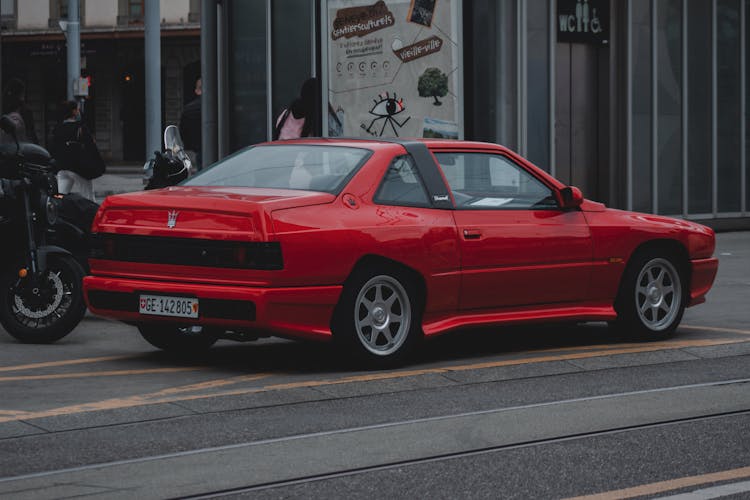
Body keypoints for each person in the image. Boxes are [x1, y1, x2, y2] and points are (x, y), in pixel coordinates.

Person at [51, 101, 98, 202]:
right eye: (77, 109)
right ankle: (92, 216)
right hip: (78, 167)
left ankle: (58, 214)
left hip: (62, 167)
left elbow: (54, 147)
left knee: (61, 197)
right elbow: (90, 145)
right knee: (88, 197)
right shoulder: (80, 127)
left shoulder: (58, 127)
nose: (79, 111)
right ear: (74, 112)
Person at [2, 78, 38, 144]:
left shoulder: (25, 110)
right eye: (23, 93)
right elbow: (32, 133)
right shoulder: (25, 111)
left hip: (19, 148)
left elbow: (31, 133)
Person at [179, 76, 202, 169]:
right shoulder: (221, 105)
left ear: (197, 91)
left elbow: (183, 131)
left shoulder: (189, 109)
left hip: (199, 149)